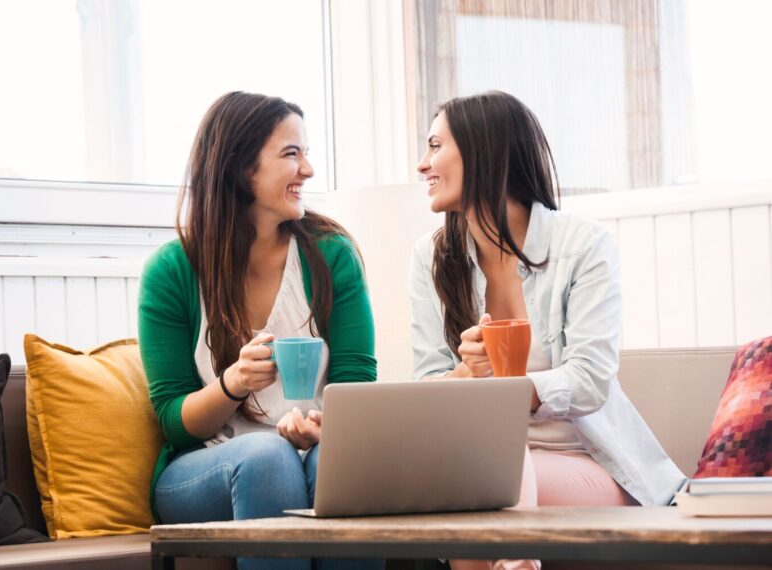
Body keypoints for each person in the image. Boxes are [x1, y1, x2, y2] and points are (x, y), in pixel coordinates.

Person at [409, 91, 685, 569]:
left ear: (483, 151)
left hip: (592, 464)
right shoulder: (432, 259)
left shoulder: (582, 245)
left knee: (480, 470)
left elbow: (591, 378)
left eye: (435, 146)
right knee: (472, 467)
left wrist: (505, 394)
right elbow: (426, 387)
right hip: (490, 464)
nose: (422, 164)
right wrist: (466, 377)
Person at [138, 91, 380, 570]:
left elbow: (356, 383)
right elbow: (172, 418)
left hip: (311, 450)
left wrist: (319, 427)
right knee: (269, 456)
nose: (307, 170)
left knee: (342, 462)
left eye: (306, 153)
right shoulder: (172, 271)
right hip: (206, 467)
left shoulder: (331, 257)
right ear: (240, 168)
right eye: (291, 154)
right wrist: (233, 384)